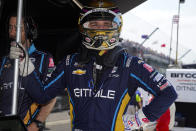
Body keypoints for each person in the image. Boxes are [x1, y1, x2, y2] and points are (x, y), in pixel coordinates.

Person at [10, 0, 177, 130]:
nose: (100, 29)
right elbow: (42, 96)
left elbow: (168, 93)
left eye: (106, 25)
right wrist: (26, 66)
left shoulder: (130, 64)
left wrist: (139, 119)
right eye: (94, 24)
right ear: (83, 27)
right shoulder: (70, 63)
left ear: (116, 27)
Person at [0, 12, 56, 131]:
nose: (13, 31)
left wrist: (36, 124)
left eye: (18, 27)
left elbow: (51, 96)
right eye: (10, 27)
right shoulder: (4, 60)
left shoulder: (44, 58)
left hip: (28, 125)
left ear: (30, 30)